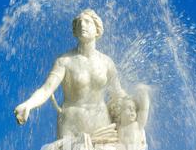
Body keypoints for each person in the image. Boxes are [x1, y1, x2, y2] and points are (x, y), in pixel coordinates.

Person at [14, 9, 127, 138]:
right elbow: (46, 90)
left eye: (87, 22)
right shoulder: (64, 61)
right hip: (72, 124)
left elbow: (118, 93)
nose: (82, 25)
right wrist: (28, 104)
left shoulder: (107, 63)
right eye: (79, 23)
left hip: (100, 123)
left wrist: (136, 105)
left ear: (97, 30)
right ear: (74, 31)